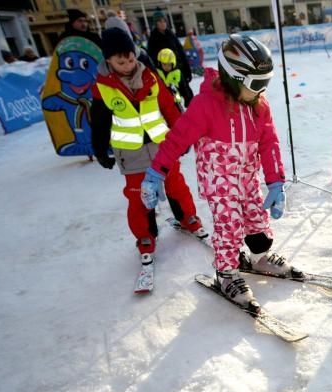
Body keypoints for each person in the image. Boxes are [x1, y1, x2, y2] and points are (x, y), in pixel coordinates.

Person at [140, 35, 290, 308]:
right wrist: (156, 173)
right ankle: (226, 273)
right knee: (229, 226)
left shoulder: (259, 105)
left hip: (247, 177)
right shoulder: (206, 105)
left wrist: (276, 181)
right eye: (257, 84)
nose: (261, 91)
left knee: (257, 218)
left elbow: (269, 143)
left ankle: (259, 257)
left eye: (265, 83)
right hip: (219, 181)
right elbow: (177, 139)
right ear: (234, 77)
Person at [90, 28, 207, 271]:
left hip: (162, 149)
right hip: (130, 155)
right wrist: (100, 149)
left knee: (176, 185)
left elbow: (170, 109)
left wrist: (181, 137)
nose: (127, 64)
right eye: (121, 61)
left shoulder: (151, 78)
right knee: (138, 197)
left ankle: (187, 218)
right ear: (109, 61)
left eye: (131, 58)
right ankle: (145, 235)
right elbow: (100, 122)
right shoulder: (103, 87)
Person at [146, 9, 194, 106]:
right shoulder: (153, 38)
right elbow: (151, 58)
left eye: (164, 21)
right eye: (159, 21)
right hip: (165, 75)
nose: (162, 23)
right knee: (173, 100)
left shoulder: (171, 35)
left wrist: (187, 69)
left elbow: (180, 52)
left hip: (178, 71)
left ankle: (193, 114)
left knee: (188, 96)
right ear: (156, 23)